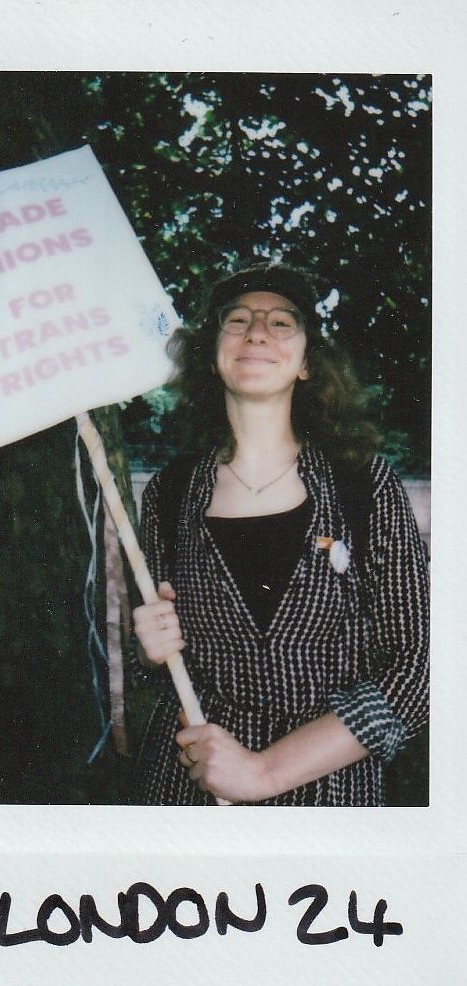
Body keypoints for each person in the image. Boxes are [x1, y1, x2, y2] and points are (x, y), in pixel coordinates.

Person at [131, 262, 429, 807]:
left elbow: (419, 666)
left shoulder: (364, 483)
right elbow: (152, 675)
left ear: (308, 363)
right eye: (237, 320)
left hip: (330, 796)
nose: (257, 332)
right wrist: (150, 653)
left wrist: (265, 772)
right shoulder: (168, 495)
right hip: (191, 793)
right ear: (212, 356)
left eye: (281, 322)